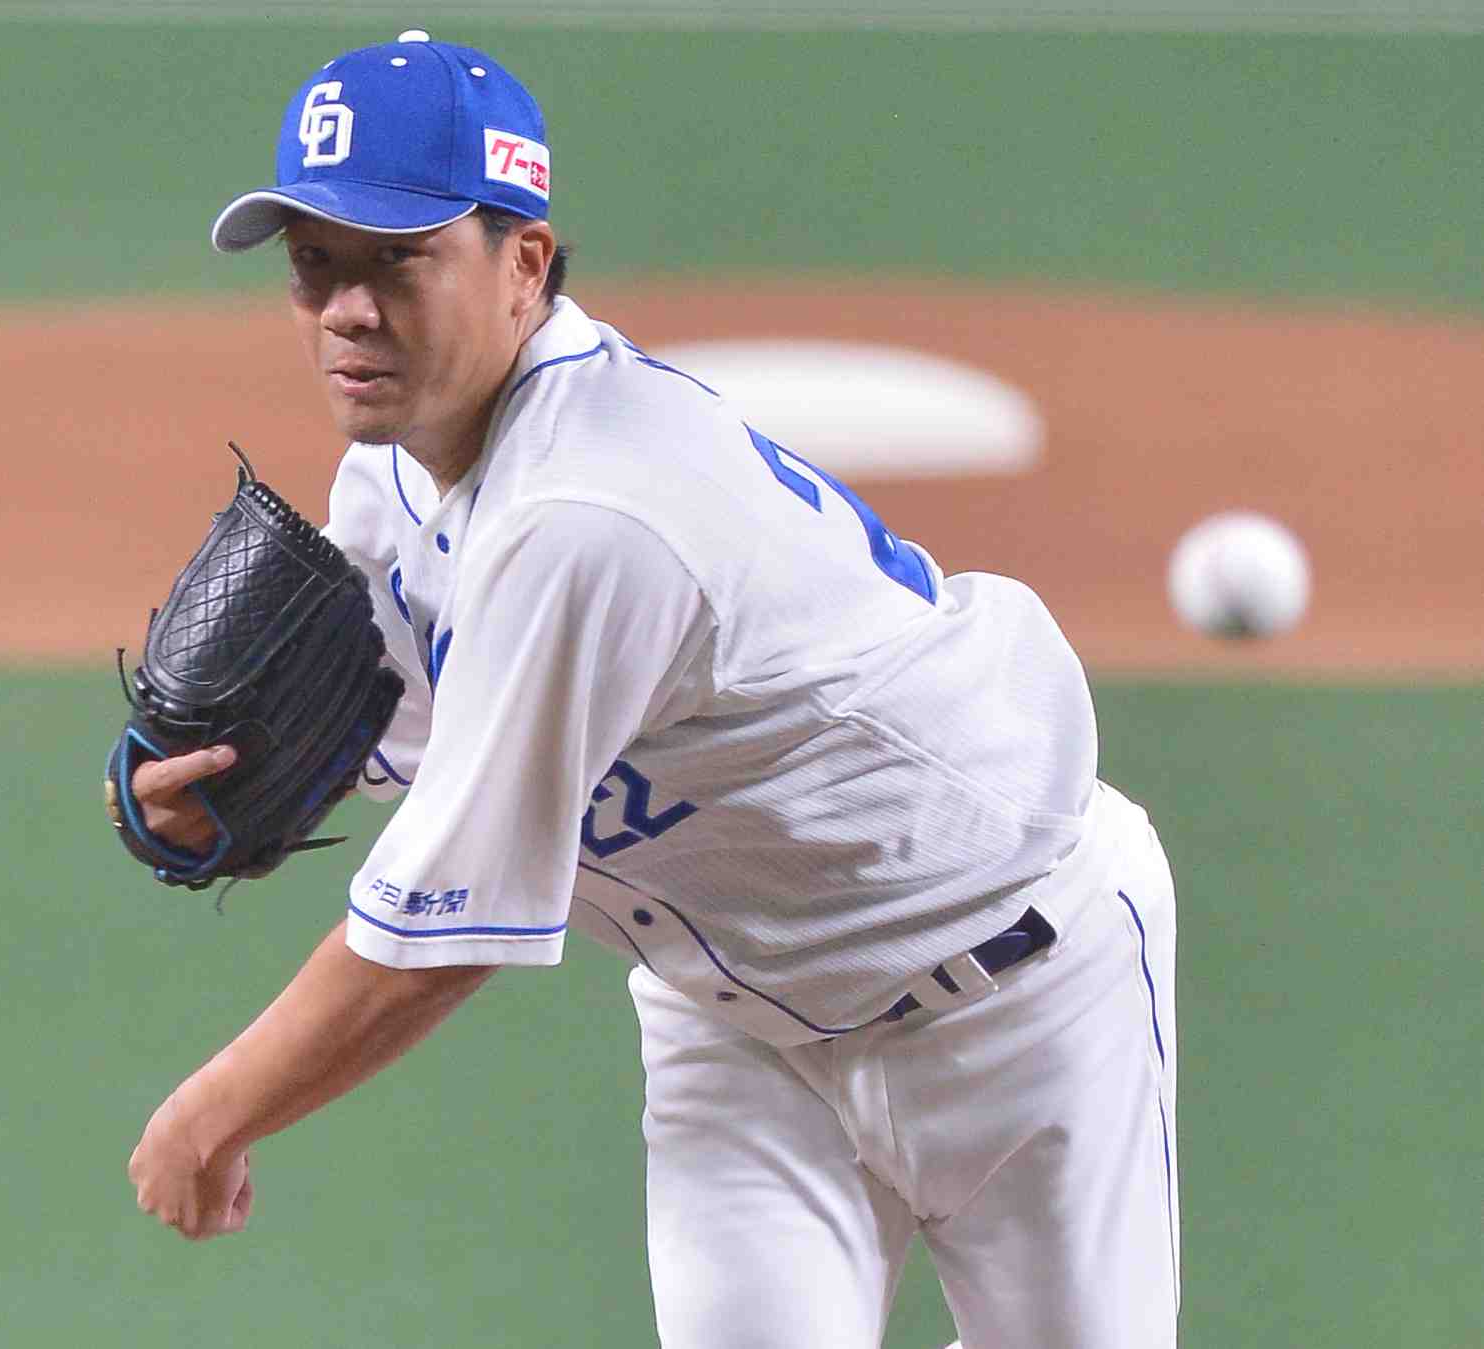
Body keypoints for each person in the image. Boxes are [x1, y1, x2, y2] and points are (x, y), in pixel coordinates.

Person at [124, 30, 1180, 1349]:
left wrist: (211, 1110)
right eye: (315, 264)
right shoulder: (390, 483)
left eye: (399, 259)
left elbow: (440, 938)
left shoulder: (588, 513)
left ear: (523, 265)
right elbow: (378, 738)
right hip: (738, 1030)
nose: (347, 308)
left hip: (1015, 988)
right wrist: (208, 789)